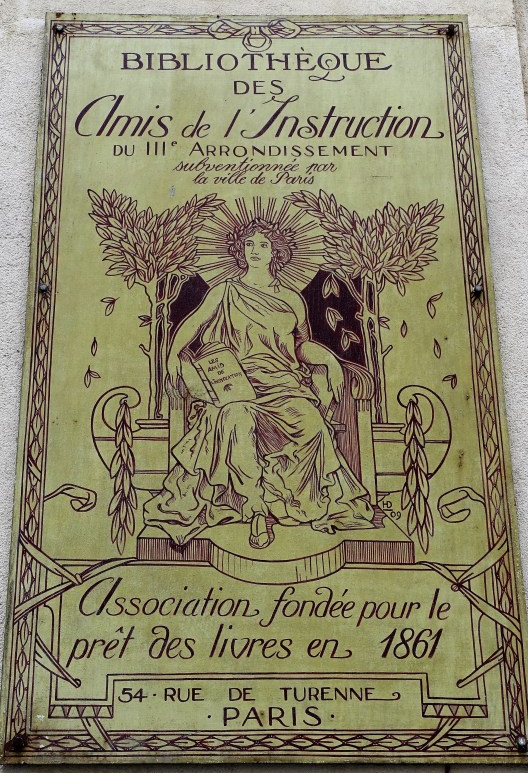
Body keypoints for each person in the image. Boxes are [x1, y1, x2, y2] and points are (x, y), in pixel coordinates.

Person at [143, 217, 374, 548]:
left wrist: (330, 359)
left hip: (283, 386)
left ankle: (300, 502)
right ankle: (255, 510)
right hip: (236, 385)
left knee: (313, 426)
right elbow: (193, 324)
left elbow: (300, 346)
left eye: (263, 245)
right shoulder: (225, 291)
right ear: (240, 250)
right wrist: (172, 354)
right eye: (249, 244)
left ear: (276, 252)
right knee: (237, 419)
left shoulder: (292, 299)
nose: (255, 250)